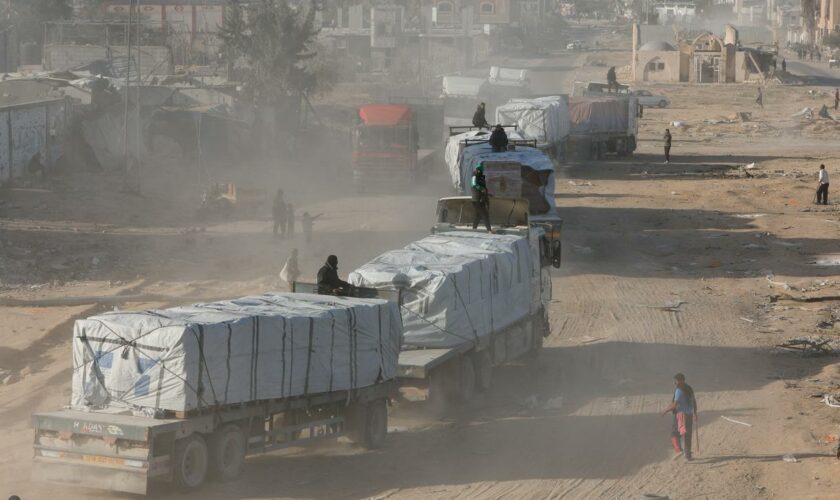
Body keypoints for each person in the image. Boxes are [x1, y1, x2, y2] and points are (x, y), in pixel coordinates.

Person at [661, 373, 698, 460]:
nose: (675, 383)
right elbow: (694, 401)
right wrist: (695, 413)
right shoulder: (689, 388)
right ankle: (688, 455)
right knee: (688, 435)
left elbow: (674, 405)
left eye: (676, 381)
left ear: (682, 380)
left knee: (675, 433)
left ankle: (679, 450)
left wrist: (665, 410)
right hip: (689, 415)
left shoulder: (679, 390)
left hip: (681, 415)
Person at [471, 163, 492, 232]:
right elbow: (474, 184)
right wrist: (481, 188)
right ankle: (489, 230)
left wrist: (486, 193)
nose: (480, 171)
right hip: (477, 199)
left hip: (481, 199)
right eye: (479, 170)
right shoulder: (474, 176)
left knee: (478, 216)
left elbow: (484, 187)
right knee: (485, 215)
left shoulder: (482, 177)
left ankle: (474, 229)